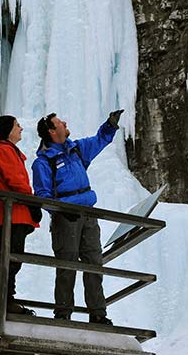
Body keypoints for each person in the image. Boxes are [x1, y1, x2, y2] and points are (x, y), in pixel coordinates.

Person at [31, 110, 124, 325]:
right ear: (52, 131)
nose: (65, 123)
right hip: (66, 219)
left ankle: (98, 313)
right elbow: (42, 195)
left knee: (94, 263)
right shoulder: (43, 163)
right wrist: (61, 211)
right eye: (60, 122)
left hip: (89, 215)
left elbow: (99, 141)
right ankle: (63, 314)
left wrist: (110, 125)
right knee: (67, 265)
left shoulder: (76, 149)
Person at [0, 115, 42, 315]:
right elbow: (16, 181)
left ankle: (3, 298)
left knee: (10, 257)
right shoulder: (5, 151)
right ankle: (3, 299)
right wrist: (32, 202)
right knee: (11, 257)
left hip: (12, 213)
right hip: (12, 213)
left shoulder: (8, 151)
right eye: (17, 126)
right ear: (8, 130)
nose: (21, 129)